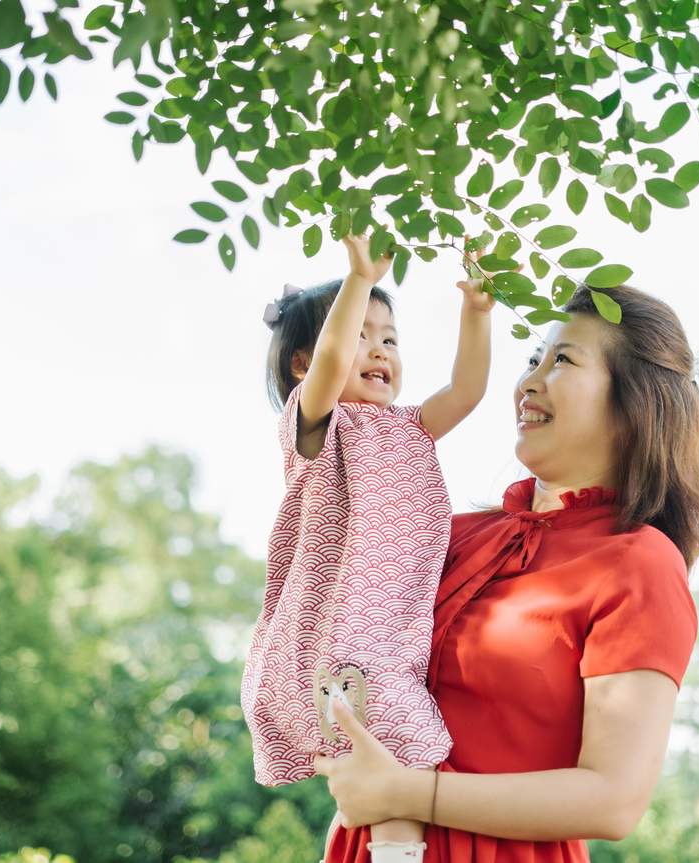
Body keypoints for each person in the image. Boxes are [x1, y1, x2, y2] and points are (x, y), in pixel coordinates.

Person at [314, 283, 699, 862]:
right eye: (534, 358)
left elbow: (614, 799)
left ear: (635, 407)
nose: (529, 380)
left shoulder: (639, 563)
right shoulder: (445, 532)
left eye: (562, 360)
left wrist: (410, 792)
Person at [240, 232, 497, 863]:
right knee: (404, 778)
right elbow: (331, 368)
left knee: (395, 786)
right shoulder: (318, 426)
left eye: (390, 338)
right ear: (304, 363)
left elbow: (466, 391)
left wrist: (477, 311)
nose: (380, 350)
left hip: (382, 647)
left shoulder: (410, 429)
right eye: (362, 334)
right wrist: (358, 280)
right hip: (333, 649)